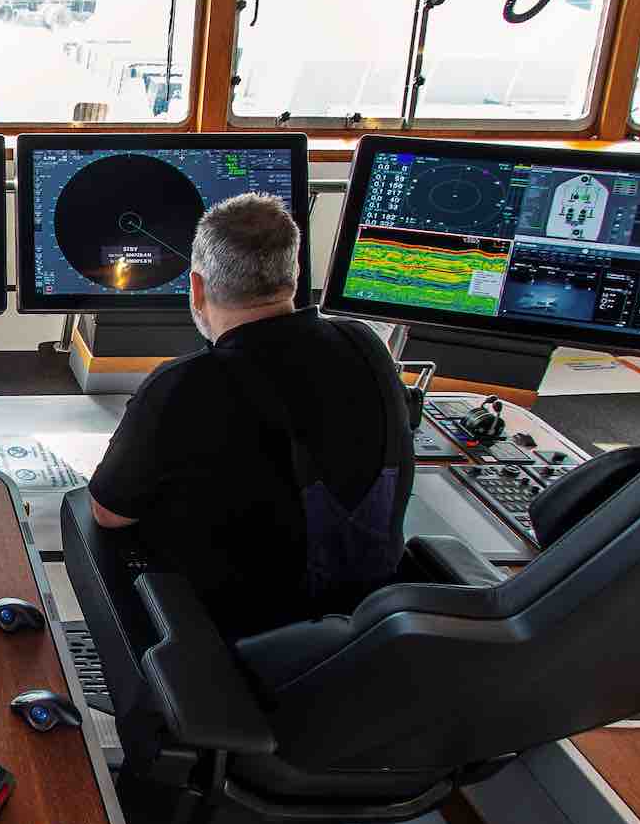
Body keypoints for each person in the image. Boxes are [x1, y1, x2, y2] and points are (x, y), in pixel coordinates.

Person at [88, 193, 413, 638]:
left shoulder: (184, 384)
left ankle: (138, 671)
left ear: (197, 286)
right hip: (366, 627)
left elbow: (109, 511)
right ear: (294, 275)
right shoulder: (365, 344)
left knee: (82, 518)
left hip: (243, 640)